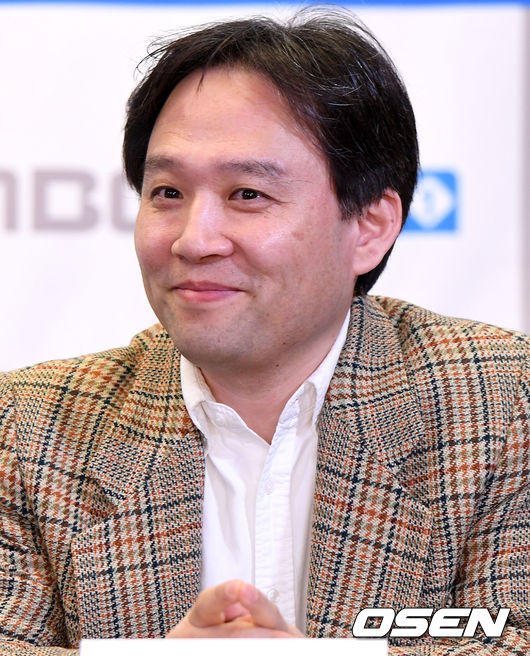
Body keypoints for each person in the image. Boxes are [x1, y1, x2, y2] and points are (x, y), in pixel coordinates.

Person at [0, 7, 528, 655]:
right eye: (167, 193)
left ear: (369, 226)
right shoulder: (27, 429)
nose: (194, 240)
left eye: (247, 194)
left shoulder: (503, 404)